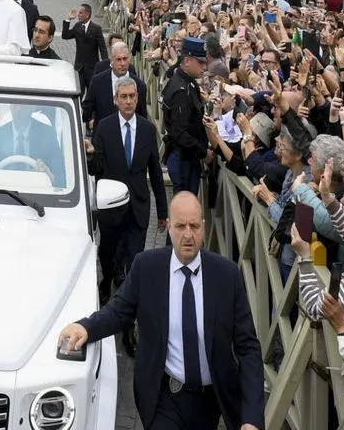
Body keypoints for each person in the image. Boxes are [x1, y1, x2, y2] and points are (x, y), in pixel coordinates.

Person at [58, 192, 263, 430]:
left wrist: (252, 417)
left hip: (211, 399)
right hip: (165, 395)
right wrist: (86, 327)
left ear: (203, 226)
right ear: (169, 228)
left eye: (194, 226)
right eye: (181, 226)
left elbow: (248, 347)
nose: (188, 235)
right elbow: (118, 311)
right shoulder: (146, 267)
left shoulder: (227, 275)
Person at [90, 77, 167, 356]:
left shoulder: (147, 129)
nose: (128, 101)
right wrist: (90, 154)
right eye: (123, 97)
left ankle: (127, 329)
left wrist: (163, 211)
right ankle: (105, 280)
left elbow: (155, 172)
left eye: (132, 96)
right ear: (115, 100)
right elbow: (96, 168)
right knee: (109, 258)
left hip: (138, 209)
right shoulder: (104, 127)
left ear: (137, 98)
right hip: (111, 208)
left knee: (132, 268)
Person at [161, 38, 210, 196]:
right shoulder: (181, 91)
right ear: (187, 61)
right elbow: (180, 132)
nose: (204, 67)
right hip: (183, 158)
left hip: (187, 157)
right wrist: (203, 152)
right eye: (200, 63)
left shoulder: (187, 82)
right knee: (184, 205)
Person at [0, 103, 64, 183]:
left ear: (32, 107)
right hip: (4, 189)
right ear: (10, 106)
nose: (18, 109)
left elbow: (61, 178)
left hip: (36, 190)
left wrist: (49, 176)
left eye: (23, 105)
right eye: (15, 104)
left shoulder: (47, 135)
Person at [83, 42, 149, 125]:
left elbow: (142, 118)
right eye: (118, 59)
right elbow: (87, 109)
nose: (122, 63)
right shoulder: (97, 82)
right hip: (104, 132)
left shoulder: (140, 86)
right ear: (111, 61)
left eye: (125, 59)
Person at [62, 5, 108, 90]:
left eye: (80, 13)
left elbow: (103, 49)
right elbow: (65, 35)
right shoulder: (77, 26)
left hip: (92, 68)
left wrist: (105, 65)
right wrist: (68, 19)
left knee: (92, 91)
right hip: (79, 67)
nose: (78, 15)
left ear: (87, 14)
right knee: (79, 91)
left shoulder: (96, 29)